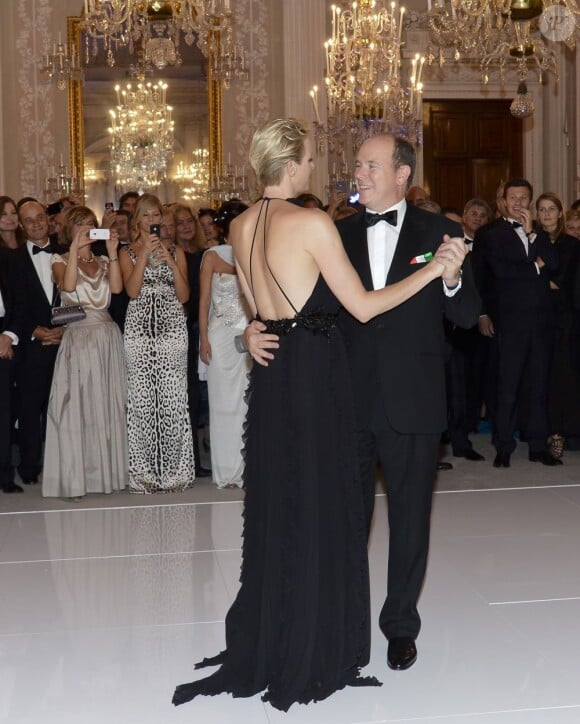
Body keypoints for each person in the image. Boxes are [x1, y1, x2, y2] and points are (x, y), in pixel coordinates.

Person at [173, 119, 467, 711]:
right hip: (317, 379)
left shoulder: (240, 223)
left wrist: (249, 336)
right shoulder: (313, 223)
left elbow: (257, 309)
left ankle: (280, 625)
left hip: (275, 377)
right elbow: (359, 306)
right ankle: (317, 638)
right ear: (291, 164)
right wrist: (431, 271)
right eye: (310, 157)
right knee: (323, 509)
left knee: (284, 502)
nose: (320, 167)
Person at [245, 131, 480, 673]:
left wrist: (450, 280)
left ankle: (400, 627)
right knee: (343, 521)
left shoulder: (441, 232)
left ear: (403, 175)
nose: (360, 174)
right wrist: (249, 331)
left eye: (372, 166)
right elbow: (289, 301)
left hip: (413, 402)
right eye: (357, 165)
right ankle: (344, 625)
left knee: (410, 520)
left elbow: (468, 315)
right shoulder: (332, 230)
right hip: (341, 400)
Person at [42, 206, 128, 498]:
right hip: (78, 338)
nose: (87, 229)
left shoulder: (104, 260)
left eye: (91, 224)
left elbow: (116, 289)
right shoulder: (59, 259)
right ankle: (76, 477)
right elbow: (66, 285)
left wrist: (113, 251)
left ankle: (108, 474)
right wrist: (75, 250)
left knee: (108, 405)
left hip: (107, 336)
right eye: (80, 225)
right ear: (69, 229)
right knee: (76, 406)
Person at [480, 179, 561, 468]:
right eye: (512, 197)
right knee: (508, 386)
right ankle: (504, 445)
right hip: (511, 321)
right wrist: (536, 267)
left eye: (523, 198)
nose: (518, 203)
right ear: (503, 200)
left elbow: (555, 263)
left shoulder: (538, 232)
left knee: (539, 386)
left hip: (541, 322)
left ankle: (538, 446)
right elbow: (502, 272)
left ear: (529, 201)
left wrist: (531, 234)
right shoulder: (492, 234)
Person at [119, 194, 195, 492]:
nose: (153, 220)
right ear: (137, 220)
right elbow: (133, 291)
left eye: (157, 215)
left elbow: (186, 295)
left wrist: (169, 260)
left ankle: (176, 473)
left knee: (173, 399)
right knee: (142, 401)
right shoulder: (127, 252)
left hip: (173, 328)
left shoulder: (175, 250)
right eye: (147, 215)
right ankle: (144, 473)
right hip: (138, 329)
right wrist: (143, 255)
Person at [198, 201, 251, 488]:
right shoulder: (211, 256)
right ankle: (226, 471)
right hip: (219, 335)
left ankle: (246, 468)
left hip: (247, 335)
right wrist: (203, 339)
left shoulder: (255, 251)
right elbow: (204, 301)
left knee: (245, 402)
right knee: (220, 405)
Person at [11, 200, 64, 485]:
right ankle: (30, 468)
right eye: (28, 220)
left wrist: (65, 329)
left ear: (48, 219)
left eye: (39, 217)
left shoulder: (66, 251)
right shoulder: (12, 259)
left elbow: (78, 295)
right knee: (30, 409)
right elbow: (13, 305)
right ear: (21, 225)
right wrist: (35, 331)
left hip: (68, 343)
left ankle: (65, 467)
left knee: (65, 409)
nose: (35, 223)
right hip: (32, 346)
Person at [535, 192, 580, 459]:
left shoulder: (572, 246)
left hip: (564, 321)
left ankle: (558, 434)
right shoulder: (531, 240)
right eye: (542, 209)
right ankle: (541, 433)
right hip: (536, 318)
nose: (547, 214)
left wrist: (539, 275)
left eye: (552, 209)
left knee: (561, 378)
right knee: (539, 378)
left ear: (560, 213)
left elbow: (564, 283)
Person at [0, 247, 23, 493]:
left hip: (3, 335)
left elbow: (20, 300)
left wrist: (8, 335)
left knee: (4, 410)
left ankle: (4, 474)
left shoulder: (8, 257)